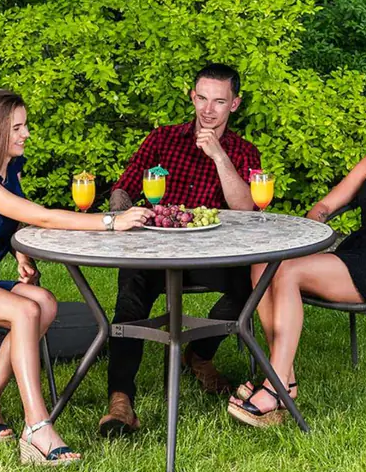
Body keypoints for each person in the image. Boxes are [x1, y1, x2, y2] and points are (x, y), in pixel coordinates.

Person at [0, 88, 149, 464]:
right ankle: (38, 427)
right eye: (17, 128)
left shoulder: (9, 170)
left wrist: (19, 252)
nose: (26, 134)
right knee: (24, 311)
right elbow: (41, 216)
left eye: (25, 125)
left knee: (45, 302)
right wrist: (111, 221)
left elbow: (8, 221)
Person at [227, 84, 366, 428]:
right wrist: (312, 229)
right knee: (264, 263)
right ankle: (283, 377)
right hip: (356, 253)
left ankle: (275, 388)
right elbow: (325, 205)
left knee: (287, 273)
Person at [100, 63, 262, 436]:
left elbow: (246, 209)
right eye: (202, 98)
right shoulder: (162, 140)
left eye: (219, 101)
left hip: (212, 255)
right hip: (155, 250)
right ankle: (120, 401)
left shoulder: (243, 151)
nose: (208, 109)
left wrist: (219, 156)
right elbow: (124, 188)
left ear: (234, 104)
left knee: (253, 283)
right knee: (130, 299)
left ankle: (199, 354)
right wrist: (122, 217)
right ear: (192, 97)